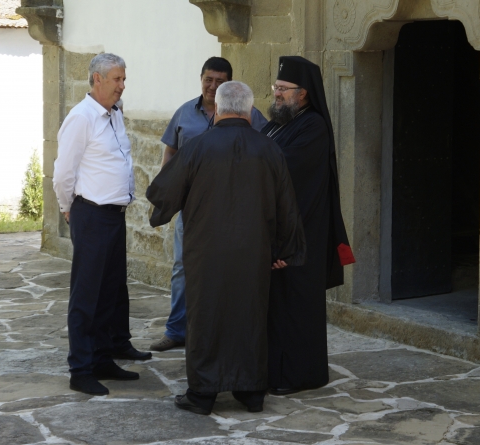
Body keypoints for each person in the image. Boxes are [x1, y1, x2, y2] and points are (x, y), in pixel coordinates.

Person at [146, 81, 306, 415]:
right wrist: (284, 251)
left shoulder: (197, 147)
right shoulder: (269, 148)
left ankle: (202, 393)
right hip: (254, 252)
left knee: (205, 317)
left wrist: (160, 210)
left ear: (217, 108)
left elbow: (162, 194)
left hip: (206, 252)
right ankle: (250, 392)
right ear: (249, 111)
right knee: (250, 316)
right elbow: (287, 206)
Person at [150, 57, 269, 352]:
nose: (212, 86)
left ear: (228, 84)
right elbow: (170, 154)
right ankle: (177, 330)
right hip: (191, 210)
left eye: (219, 81)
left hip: (232, 211)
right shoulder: (183, 114)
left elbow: (267, 147)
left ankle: (223, 331)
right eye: (208, 79)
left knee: (227, 270)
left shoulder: (249, 115)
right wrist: (171, 194)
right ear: (201, 78)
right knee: (181, 268)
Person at [261, 56, 356, 396]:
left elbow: (287, 169)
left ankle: (299, 375)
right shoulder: (276, 124)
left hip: (301, 234)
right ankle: (273, 371)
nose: (277, 95)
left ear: (303, 94)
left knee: (296, 307)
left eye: (283, 90)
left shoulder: (313, 126)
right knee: (276, 307)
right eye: (276, 88)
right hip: (278, 229)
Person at [53, 53, 142, 396]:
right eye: (117, 79)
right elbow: (63, 172)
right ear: (97, 80)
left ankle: (103, 359)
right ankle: (81, 368)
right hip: (90, 214)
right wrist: (68, 209)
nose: (122, 85)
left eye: (123, 78)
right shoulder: (81, 118)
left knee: (109, 292)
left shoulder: (114, 113)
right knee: (87, 296)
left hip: (113, 215)